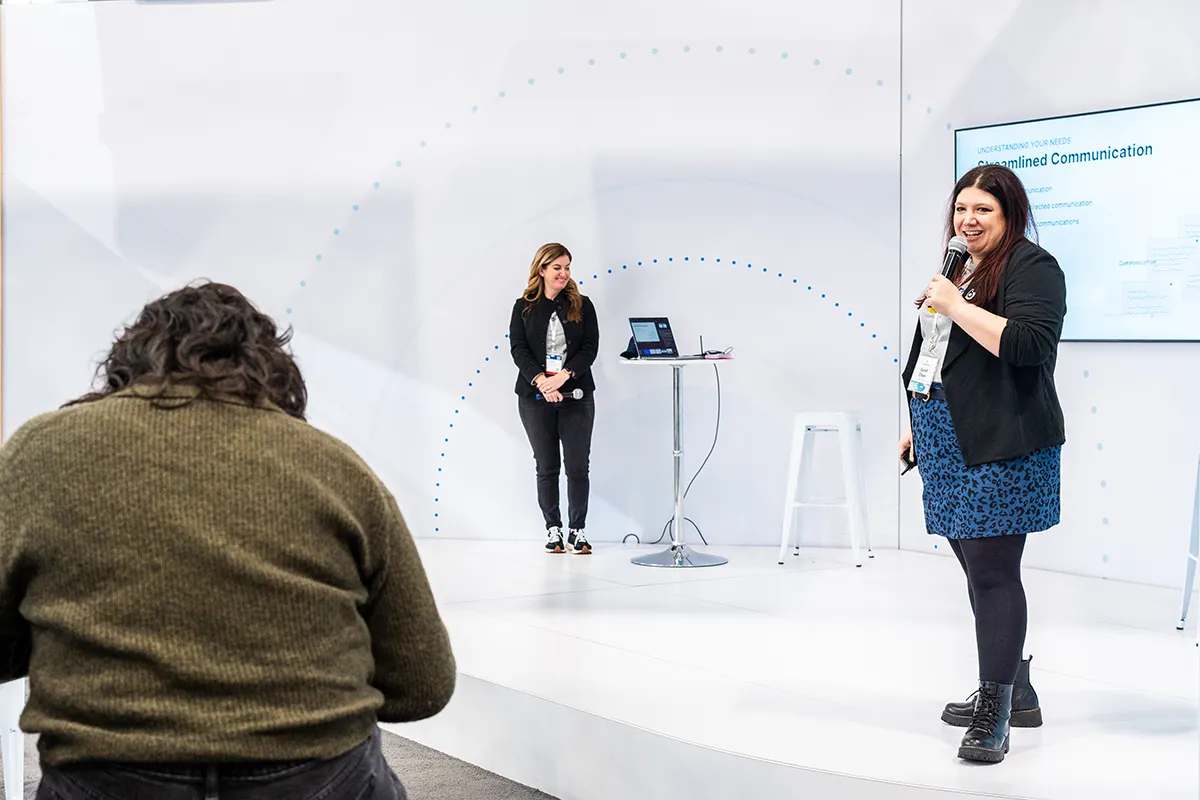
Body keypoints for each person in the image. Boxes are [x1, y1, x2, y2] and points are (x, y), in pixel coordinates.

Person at [0, 282, 456, 799]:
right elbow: (422, 685)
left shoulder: (40, 452)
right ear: (271, 366)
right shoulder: (336, 468)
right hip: (314, 775)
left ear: (128, 361)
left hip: (110, 774)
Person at [899, 164, 1066, 764]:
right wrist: (914, 423)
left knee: (995, 574)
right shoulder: (962, 270)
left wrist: (952, 302)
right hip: (945, 436)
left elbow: (1028, 345)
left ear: (1010, 214)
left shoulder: (1032, 267)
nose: (967, 221)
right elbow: (938, 351)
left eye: (982, 211)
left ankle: (996, 710)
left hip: (1003, 443)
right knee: (976, 571)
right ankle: (1012, 687)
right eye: (961, 209)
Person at [509, 243, 600, 555]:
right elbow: (518, 349)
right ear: (542, 270)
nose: (564, 273)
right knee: (546, 466)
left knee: (577, 467)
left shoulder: (582, 304)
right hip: (535, 397)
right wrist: (541, 381)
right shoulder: (523, 306)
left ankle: (578, 531)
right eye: (557, 267)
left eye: (567, 267)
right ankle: (553, 530)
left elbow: (590, 347)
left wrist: (564, 376)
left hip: (576, 394)